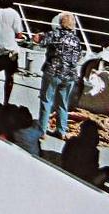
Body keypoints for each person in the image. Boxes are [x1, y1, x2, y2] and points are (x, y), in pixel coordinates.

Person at [33, 12, 83, 140]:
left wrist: (37, 36)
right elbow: (78, 57)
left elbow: (40, 41)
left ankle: (42, 131)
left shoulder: (54, 34)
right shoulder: (77, 40)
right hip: (70, 75)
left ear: (60, 23)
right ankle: (61, 130)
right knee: (63, 103)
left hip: (53, 72)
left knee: (46, 101)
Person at [61, 120, 109, 188]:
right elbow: (93, 168)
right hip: (86, 178)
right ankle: (94, 184)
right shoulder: (94, 150)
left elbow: (64, 158)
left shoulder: (71, 141)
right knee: (108, 170)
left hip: (68, 172)